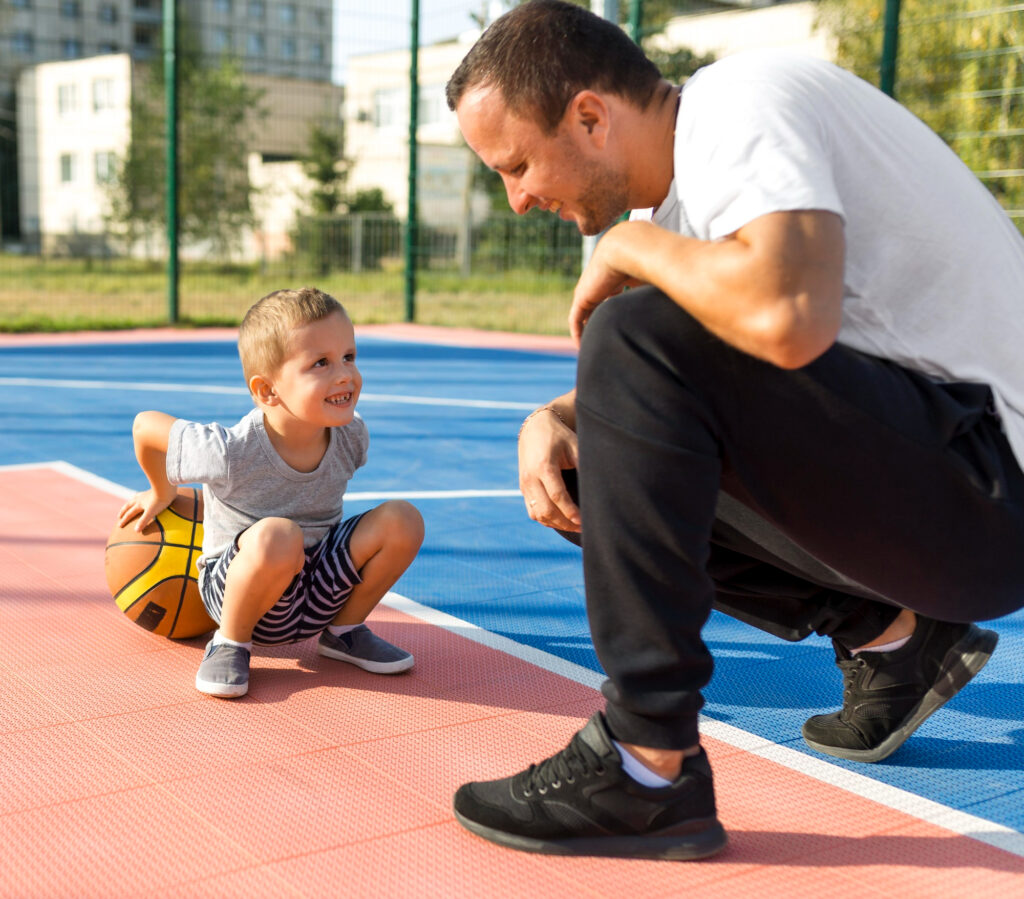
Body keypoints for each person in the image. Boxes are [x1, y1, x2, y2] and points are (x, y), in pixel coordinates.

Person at [444, 0, 1024, 861]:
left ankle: (646, 763)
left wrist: (628, 257)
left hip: (995, 487)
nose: (518, 199)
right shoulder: (672, 214)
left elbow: (786, 311)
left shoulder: (739, 103)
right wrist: (553, 418)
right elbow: (651, 402)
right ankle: (894, 636)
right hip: (946, 495)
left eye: (518, 164)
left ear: (591, 116)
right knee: (588, 464)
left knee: (629, 335)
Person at [118, 287, 424, 698]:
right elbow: (144, 425)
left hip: (317, 590)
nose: (345, 375)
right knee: (280, 535)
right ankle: (229, 643)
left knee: (403, 519)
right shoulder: (230, 451)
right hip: (243, 594)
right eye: (321, 363)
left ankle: (344, 632)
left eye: (349, 356)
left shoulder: (351, 436)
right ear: (267, 391)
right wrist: (162, 489)